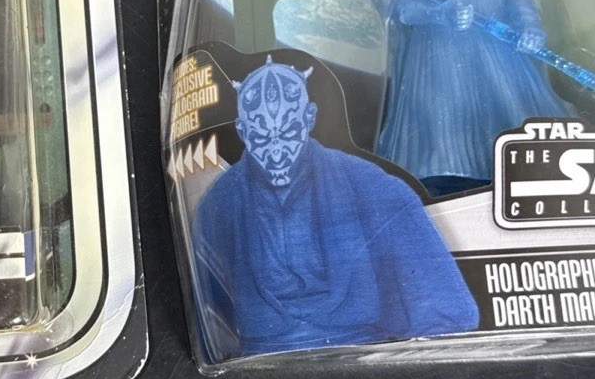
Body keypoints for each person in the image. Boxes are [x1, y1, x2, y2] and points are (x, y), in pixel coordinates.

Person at [190, 59, 479, 363]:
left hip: (362, 362)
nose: (276, 154)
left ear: (309, 118)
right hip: (259, 370)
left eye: (287, 133)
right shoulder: (219, 204)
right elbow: (205, 332)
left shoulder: (372, 187)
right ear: (243, 131)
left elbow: (446, 314)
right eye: (262, 137)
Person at [374, 0, 570, 193]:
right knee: (439, 146)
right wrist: (438, 13)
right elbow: (396, 6)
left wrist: (530, 27)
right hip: (436, 60)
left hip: (497, 51)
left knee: (520, 129)